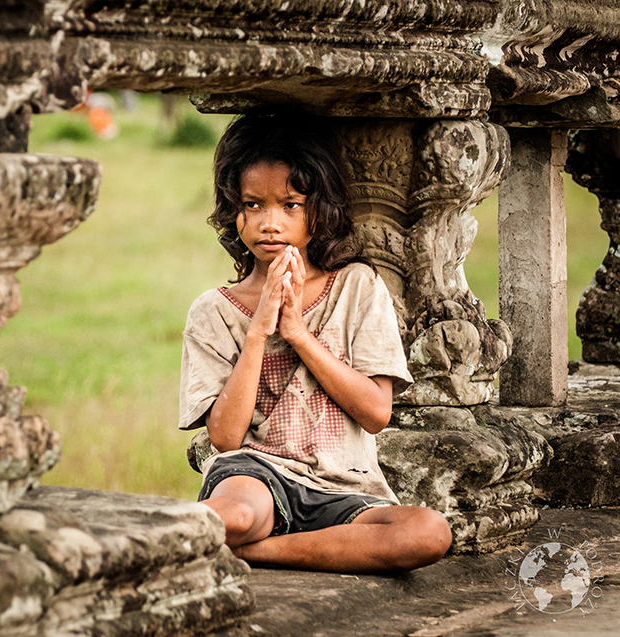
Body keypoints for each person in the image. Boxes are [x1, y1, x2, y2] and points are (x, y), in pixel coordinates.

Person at [179, 114, 451, 573]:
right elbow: (225, 438)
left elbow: (376, 413)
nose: (270, 223)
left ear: (319, 210)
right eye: (253, 204)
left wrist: (298, 334)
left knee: (427, 533)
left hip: (344, 489)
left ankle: (254, 553)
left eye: (290, 205)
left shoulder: (358, 287)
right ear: (234, 211)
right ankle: (252, 539)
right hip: (255, 476)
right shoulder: (213, 311)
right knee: (237, 516)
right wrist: (258, 331)